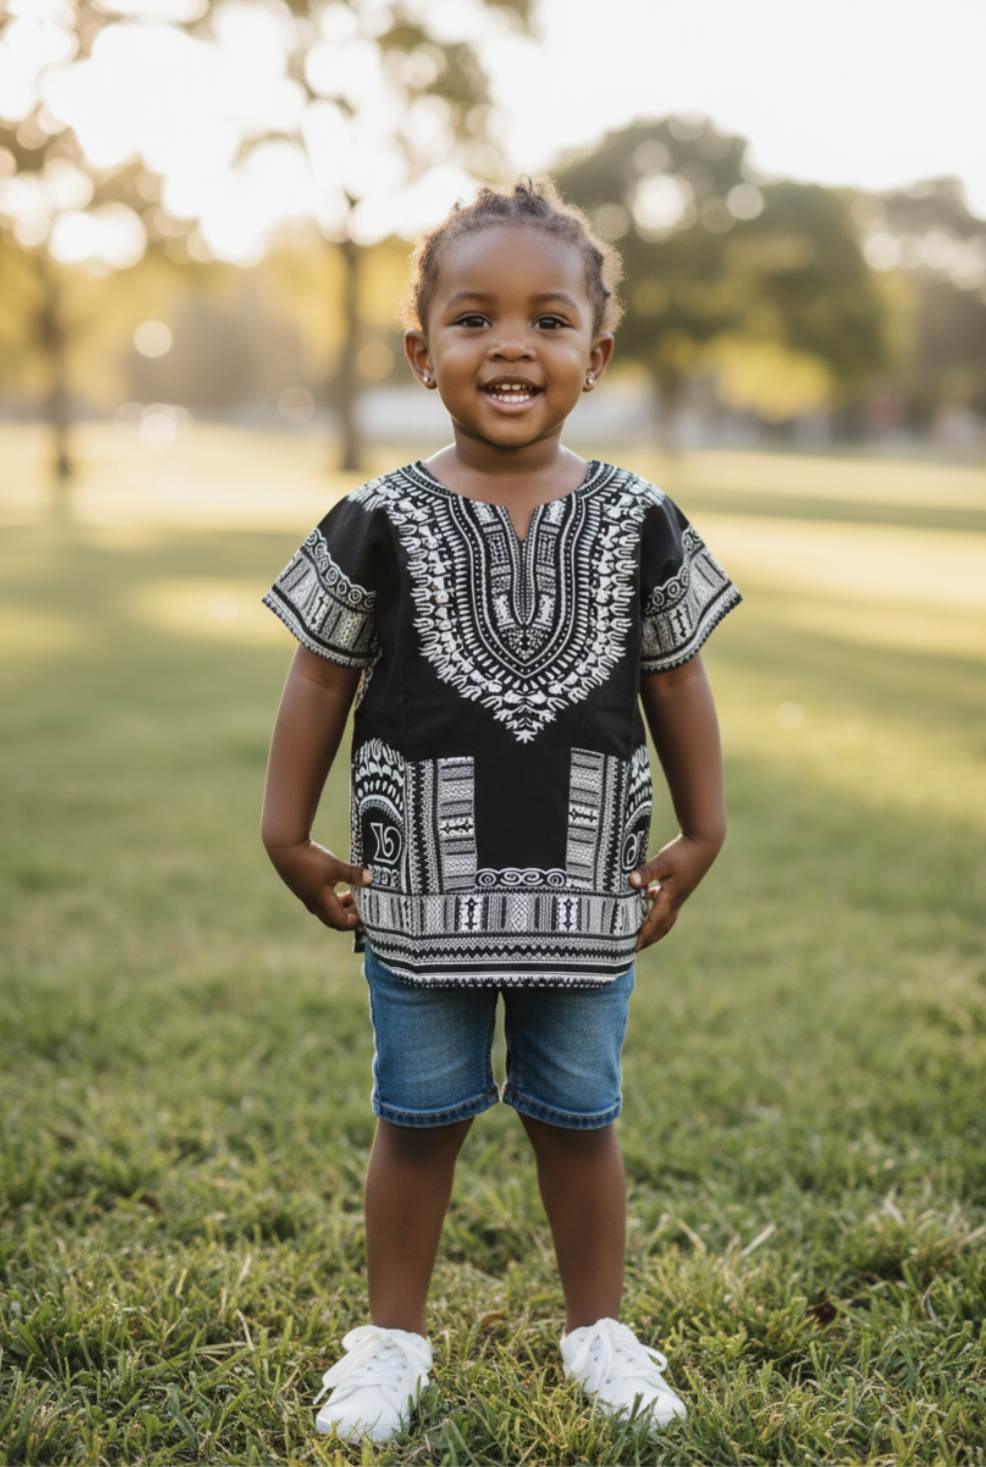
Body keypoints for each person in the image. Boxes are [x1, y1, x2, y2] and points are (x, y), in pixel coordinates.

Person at [260, 178, 741, 1444]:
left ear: (596, 349)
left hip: (588, 889)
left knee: (578, 1117)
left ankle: (597, 1330)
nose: (511, 344)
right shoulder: (379, 518)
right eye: (473, 319)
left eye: (547, 318)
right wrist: (282, 828)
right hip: (416, 890)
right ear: (422, 354)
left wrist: (702, 831)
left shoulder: (637, 518)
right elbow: (320, 672)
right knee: (416, 1119)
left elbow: (675, 674)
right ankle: (389, 1341)